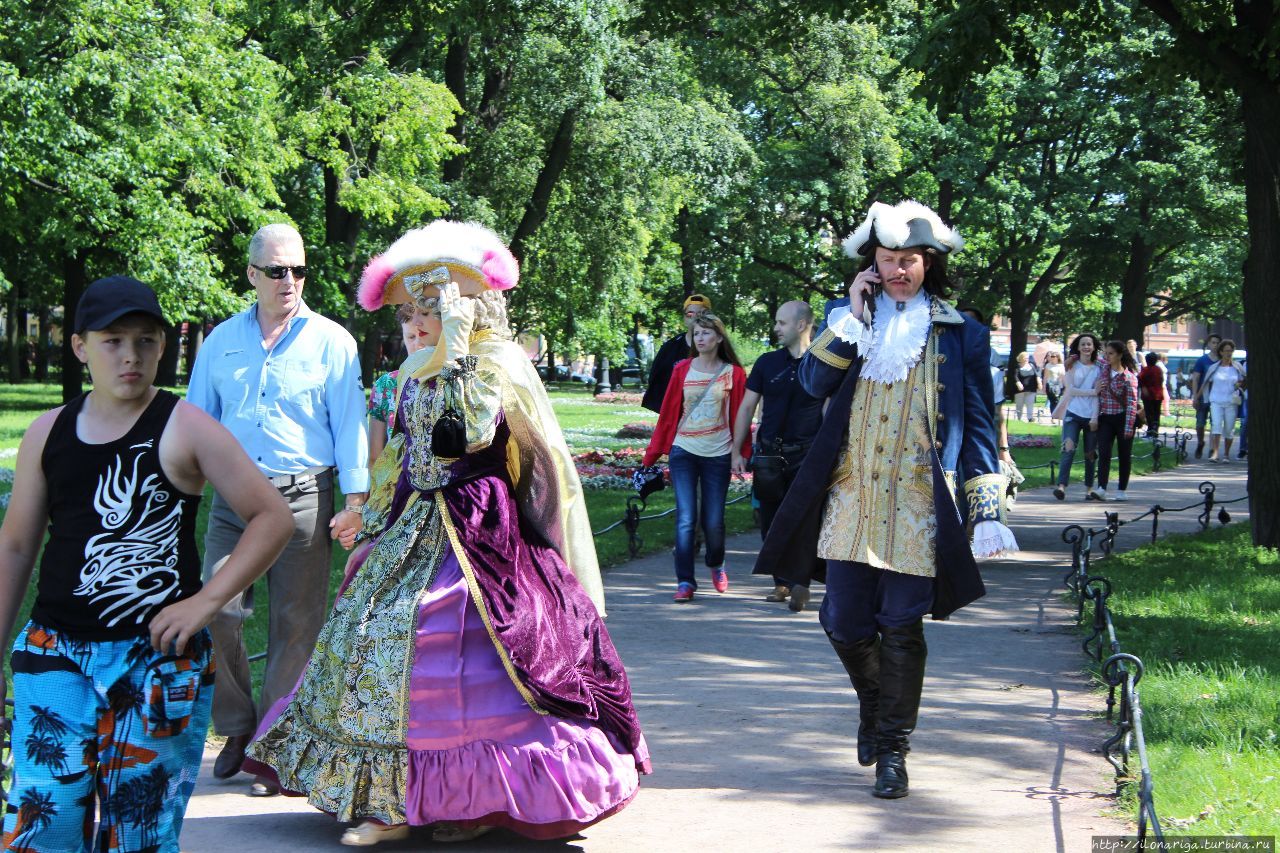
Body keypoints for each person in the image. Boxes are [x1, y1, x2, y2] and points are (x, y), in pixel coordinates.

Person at [244, 221, 649, 846]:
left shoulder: (495, 363)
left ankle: (474, 801)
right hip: (416, 526)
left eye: (432, 309)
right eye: (411, 312)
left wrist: (458, 358)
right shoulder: (411, 372)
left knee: (469, 642)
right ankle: (393, 802)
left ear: (467, 309)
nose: (417, 323)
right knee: (378, 630)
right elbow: (404, 455)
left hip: (485, 534)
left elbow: (469, 435)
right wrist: (366, 513)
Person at [0, 277, 292, 852]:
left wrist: (207, 601)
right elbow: (15, 547)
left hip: (157, 661)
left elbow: (272, 518)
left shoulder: (184, 426)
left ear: (164, 346)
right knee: (44, 820)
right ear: (80, 346)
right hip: (55, 653)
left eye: (146, 340)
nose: (130, 355)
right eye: (112, 341)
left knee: (139, 827)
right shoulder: (46, 433)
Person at [754, 200, 1017, 799]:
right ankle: (875, 707)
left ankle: (894, 749)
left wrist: (985, 511)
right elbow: (812, 384)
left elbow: (977, 422)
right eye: (890, 259)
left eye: (911, 260)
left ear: (930, 263)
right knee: (841, 619)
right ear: (872, 262)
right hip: (849, 494)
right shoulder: (845, 319)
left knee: (901, 624)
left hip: (921, 502)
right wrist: (849, 315)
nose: (900, 270)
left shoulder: (961, 331)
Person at [186, 223, 370, 796]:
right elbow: (196, 420)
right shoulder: (220, 342)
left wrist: (356, 500)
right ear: (252, 275)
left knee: (297, 625)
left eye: (297, 270)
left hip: (303, 497)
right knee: (216, 610)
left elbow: (350, 425)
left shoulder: (333, 341)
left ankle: (273, 749)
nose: (288, 280)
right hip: (234, 500)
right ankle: (237, 728)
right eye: (276, 270)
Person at [642, 313, 750, 602]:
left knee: (713, 521)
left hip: (719, 453)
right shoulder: (681, 370)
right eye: (697, 333)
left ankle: (716, 563)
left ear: (718, 337)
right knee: (686, 518)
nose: (700, 338)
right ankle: (685, 582)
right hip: (684, 452)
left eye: (706, 333)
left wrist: (739, 452)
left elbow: (742, 415)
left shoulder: (734, 374)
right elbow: (668, 414)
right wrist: (653, 454)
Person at [730, 300, 824, 611]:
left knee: (805, 521)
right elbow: (746, 407)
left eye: (781, 323)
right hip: (769, 456)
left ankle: (800, 582)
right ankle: (781, 581)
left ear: (801, 325)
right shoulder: (767, 363)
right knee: (770, 521)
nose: (776, 328)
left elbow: (830, 411)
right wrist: (737, 451)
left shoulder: (823, 363)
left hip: (808, 456)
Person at [367, 304, 426, 462]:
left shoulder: (453, 380)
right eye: (411, 337)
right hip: (396, 483)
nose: (418, 344)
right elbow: (374, 457)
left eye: (424, 334)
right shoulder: (386, 386)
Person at [1051, 333, 1103, 501]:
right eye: (1083, 344)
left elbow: (1098, 396)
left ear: (1094, 347)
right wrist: (1092, 391)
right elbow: (1071, 390)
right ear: (1078, 348)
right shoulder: (1071, 366)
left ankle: (1089, 489)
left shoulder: (1099, 368)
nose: (1086, 347)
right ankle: (1061, 486)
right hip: (1073, 413)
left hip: (1090, 416)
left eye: (1089, 344)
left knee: (1090, 453)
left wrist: (1095, 418)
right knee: (1068, 449)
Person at [641, 293, 712, 412]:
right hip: (675, 415)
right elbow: (656, 380)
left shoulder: (718, 347)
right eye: (690, 313)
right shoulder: (670, 348)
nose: (695, 317)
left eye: (701, 313)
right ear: (684, 318)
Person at [1095, 341, 1140, 501]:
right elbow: (1090, 356)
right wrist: (1072, 357)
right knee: (1104, 452)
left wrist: (1129, 427)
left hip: (1123, 418)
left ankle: (1122, 489)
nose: (1107, 356)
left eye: (1111, 353)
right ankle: (1101, 488)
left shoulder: (1129, 377)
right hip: (1106, 417)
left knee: (1124, 454)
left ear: (1120, 355)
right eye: (1106, 353)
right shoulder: (1103, 370)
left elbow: (1132, 404)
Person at [1193, 339, 1246, 463]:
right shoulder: (1214, 367)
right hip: (1216, 401)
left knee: (1229, 429)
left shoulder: (1237, 367)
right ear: (1221, 352)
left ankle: (1226, 454)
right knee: (1216, 426)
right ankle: (1215, 453)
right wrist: (1197, 398)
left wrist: (1240, 386)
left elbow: (1245, 379)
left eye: (1231, 351)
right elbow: (1205, 383)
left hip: (1231, 402)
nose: (1229, 353)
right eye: (1226, 351)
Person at [1189, 333, 1222, 458]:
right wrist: (1195, 396)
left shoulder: (1222, 360)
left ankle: (1213, 448)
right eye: (1213, 342)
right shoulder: (1202, 360)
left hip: (1217, 397)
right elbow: (1196, 379)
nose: (1215, 345)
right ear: (1209, 344)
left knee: (1215, 423)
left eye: (1217, 342)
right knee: (1200, 423)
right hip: (1204, 396)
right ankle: (1200, 442)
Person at [1137, 351, 1165, 438]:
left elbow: (1139, 380)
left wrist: (1143, 387)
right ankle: (1155, 431)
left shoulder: (1145, 370)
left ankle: (1150, 431)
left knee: (1149, 413)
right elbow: (1162, 380)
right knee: (1157, 413)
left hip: (1148, 395)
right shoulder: (1158, 369)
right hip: (1158, 394)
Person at [1012, 352, 1038, 421]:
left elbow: (1036, 375)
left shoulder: (1032, 365)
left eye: (1027, 358)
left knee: (1030, 403)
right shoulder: (1017, 366)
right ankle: (1019, 418)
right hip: (1020, 390)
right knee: (1019, 405)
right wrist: (1018, 383)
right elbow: (1015, 376)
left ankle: (1030, 418)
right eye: (1025, 358)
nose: (1027, 359)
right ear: (1021, 358)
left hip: (1031, 388)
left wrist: (1039, 382)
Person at [1042, 351, 1065, 419]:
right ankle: (1054, 416)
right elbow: (1045, 377)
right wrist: (1044, 386)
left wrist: (1065, 386)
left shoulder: (1061, 366)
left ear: (1057, 357)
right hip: (1050, 385)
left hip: (1059, 386)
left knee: (1057, 400)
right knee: (1053, 401)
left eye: (1053, 356)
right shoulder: (1048, 365)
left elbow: (1063, 376)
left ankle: (1057, 415)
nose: (1051, 358)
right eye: (1051, 356)